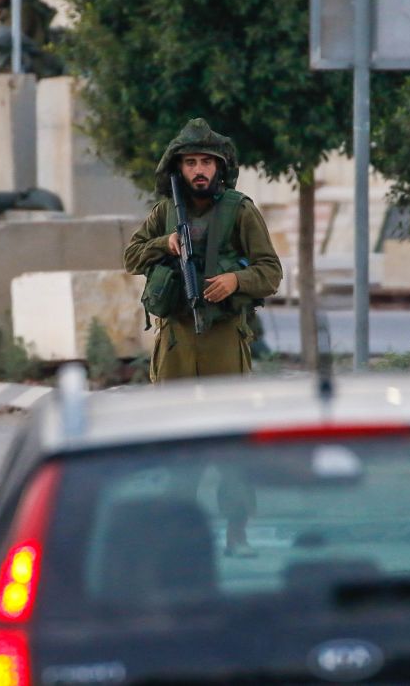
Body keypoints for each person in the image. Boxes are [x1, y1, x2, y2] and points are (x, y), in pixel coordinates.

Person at [124, 118, 282, 557]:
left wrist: (235, 280)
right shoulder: (164, 213)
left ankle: (237, 533)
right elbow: (132, 255)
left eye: (206, 163)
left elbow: (271, 272)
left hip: (223, 340)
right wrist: (167, 244)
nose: (199, 170)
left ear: (220, 168)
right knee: (175, 444)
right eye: (191, 162)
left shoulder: (240, 210)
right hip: (174, 342)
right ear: (178, 169)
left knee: (231, 443)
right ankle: (177, 536)